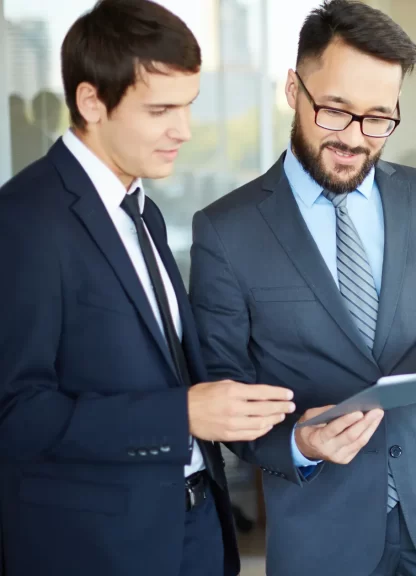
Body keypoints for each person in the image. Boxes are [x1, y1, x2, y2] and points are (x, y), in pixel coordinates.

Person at [187, 2, 416, 575]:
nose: (355, 139)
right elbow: (224, 396)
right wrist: (299, 444)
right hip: (322, 531)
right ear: (293, 89)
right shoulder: (225, 230)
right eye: (336, 111)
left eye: (378, 119)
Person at [0, 2, 296, 575]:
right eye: (161, 109)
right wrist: (178, 415)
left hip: (194, 532)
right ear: (91, 103)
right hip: (96, 550)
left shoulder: (143, 212)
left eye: (187, 107)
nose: (182, 130)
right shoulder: (23, 222)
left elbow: (168, 370)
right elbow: (15, 413)